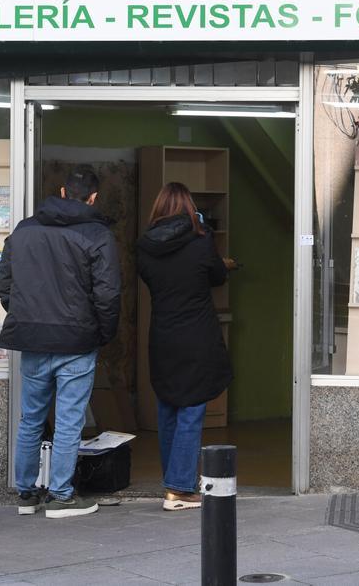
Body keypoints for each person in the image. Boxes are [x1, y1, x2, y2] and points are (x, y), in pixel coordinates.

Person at [0, 165, 121, 519]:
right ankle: (61, 495)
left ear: (63, 192)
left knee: (31, 419)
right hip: (77, 340)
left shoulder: (24, 230)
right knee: (69, 421)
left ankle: (26, 493)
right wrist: (103, 334)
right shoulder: (98, 235)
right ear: (93, 198)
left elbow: (4, 286)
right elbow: (108, 295)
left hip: (33, 339)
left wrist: (27, 317)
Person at [136, 182, 234, 511]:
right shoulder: (200, 240)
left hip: (163, 335)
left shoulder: (145, 246)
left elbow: (151, 277)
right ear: (190, 208)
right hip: (196, 335)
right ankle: (179, 489)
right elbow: (217, 275)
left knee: (168, 409)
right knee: (192, 410)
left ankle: (174, 482)